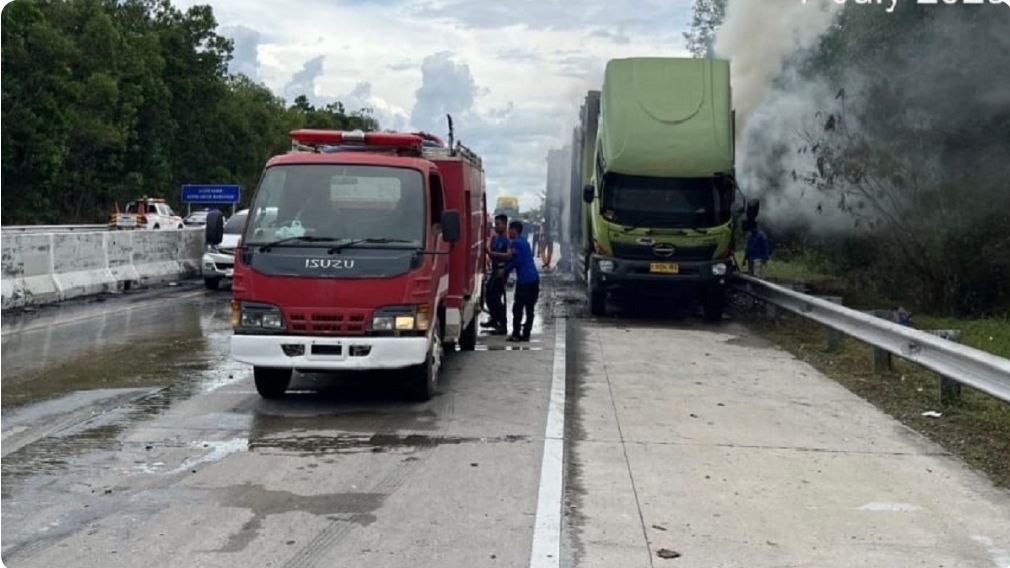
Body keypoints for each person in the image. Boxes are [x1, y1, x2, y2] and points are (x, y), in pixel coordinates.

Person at [500, 220, 540, 342]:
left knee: (518, 308)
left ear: (514, 230)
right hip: (534, 278)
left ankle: (516, 334)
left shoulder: (515, 243)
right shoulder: (525, 242)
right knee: (530, 308)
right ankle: (526, 334)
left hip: (524, 280)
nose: (508, 233)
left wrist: (504, 270)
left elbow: (516, 260)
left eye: (509, 230)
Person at [482, 214, 510, 334]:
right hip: (494, 270)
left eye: (498, 224)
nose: (495, 226)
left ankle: (502, 325)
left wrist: (492, 254)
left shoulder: (507, 239)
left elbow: (508, 255)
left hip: (502, 271)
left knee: (497, 298)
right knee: (489, 294)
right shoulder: (496, 237)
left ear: (504, 224)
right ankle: (494, 318)